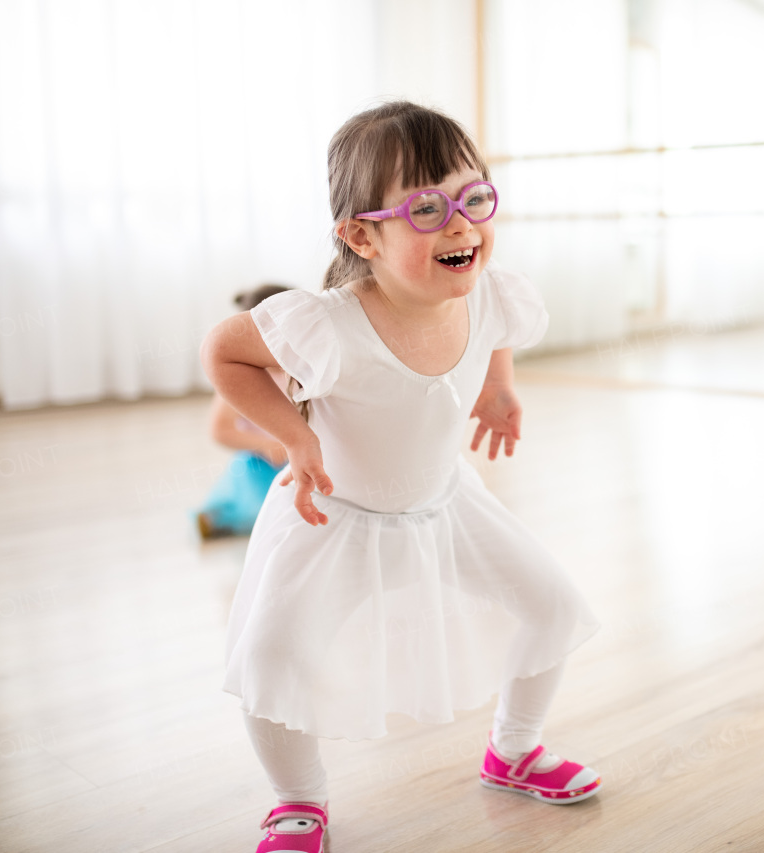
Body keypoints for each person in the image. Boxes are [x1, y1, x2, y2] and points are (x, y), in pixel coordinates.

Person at [200, 101, 603, 853]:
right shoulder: (328, 322)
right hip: (336, 519)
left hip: (444, 504)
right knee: (273, 659)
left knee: (550, 607)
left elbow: (497, 331)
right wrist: (292, 437)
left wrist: (499, 386)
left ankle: (511, 752)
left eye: (473, 198)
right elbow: (224, 352)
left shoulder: (484, 289)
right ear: (361, 234)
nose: (461, 225)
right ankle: (297, 800)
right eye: (426, 208)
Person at [194, 284, 294, 540]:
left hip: (301, 457)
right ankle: (219, 516)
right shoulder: (241, 377)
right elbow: (220, 429)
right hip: (261, 462)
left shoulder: (299, 369)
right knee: (260, 506)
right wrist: (265, 444)